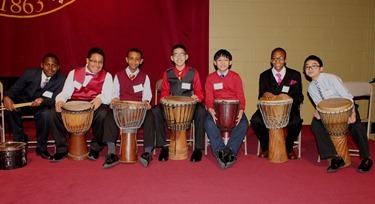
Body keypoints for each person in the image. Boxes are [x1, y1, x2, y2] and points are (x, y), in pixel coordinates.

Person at [303, 55, 373, 173]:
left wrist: (353, 114)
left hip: (347, 109)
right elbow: (319, 104)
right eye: (307, 67)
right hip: (328, 113)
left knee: (357, 126)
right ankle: (335, 157)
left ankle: (367, 158)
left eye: (314, 66)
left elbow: (347, 97)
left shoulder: (332, 79)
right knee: (315, 125)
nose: (310, 69)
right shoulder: (311, 88)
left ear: (321, 68)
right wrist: (318, 112)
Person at [50, 47, 113, 162]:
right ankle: (61, 149)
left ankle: (95, 148)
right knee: (54, 113)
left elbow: (108, 95)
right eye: (94, 61)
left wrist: (100, 99)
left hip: (94, 103)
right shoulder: (74, 73)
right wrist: (60, 100)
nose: (97, 65)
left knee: (104, 113)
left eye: (100, 62)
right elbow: (66, 92)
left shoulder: (107, 76)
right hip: (74, 103)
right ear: (87, 60)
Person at [3, 53, 66, 160]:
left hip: (42, 105)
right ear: (42, 65)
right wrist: (7, 97)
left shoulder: (61, 80)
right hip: (25, 101)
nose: (50, 68)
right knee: (10, 108)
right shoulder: (29, 73)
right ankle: (19, 142)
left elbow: (56, 99)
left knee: (46, 114)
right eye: (47, 65)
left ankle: (41, 148)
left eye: (54, 65)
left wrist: (43, 100)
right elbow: (14, 90)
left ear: (58, 67)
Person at [152, 43, 206, 162]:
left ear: (186, 57)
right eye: (176, 55)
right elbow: (165, 92)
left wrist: (198, 97)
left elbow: (200, 92)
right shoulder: (167, 73)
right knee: (155, 111)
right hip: (171, 107)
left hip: (189, 108)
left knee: (202, 111)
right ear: (172, 58)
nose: (179, 57)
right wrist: (166, 100)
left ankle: (198, 149)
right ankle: (163, 147)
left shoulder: (193, 73)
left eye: (182, 54)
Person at [104, 48, 155, 168]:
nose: (134, 61)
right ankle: (111, 152)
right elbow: (115, 94)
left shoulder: (144, 77)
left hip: (138, 111)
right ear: (126, 60)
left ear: (141, 61)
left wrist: (146, 102)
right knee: (109, 115)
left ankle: (147, 152)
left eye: (137, 59)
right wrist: (115, 100)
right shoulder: (118, 76)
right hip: (122, 110)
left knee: (150, 116)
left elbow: (147, 95)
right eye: (131, 59)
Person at [250, 47, 303, 160]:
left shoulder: (295, 75)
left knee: (297, 122)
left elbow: (299, 96)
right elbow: (260, 96)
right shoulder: (264, 75)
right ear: (271, 60)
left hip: (288, 110)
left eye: (280, 58)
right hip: (268, 110)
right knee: (255, 120)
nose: (277, 61)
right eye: (274, 59)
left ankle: (288, 147)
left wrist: (289, 97)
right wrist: (265, 94)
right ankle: (266, 147)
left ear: (285, 60)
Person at [205, 49, 248, 169]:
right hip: (216, 108)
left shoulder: (235, 77)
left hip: (234, 108)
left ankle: (230, 151)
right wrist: (210, 109)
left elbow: (240, 96)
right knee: (208, 123)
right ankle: (219, 150)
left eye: (225, 60)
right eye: (219, 60)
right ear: (214, 62)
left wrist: (241, 110)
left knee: (244, 124)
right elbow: (209, 98)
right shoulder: (210, 78)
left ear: (230, 62)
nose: (222, 63)